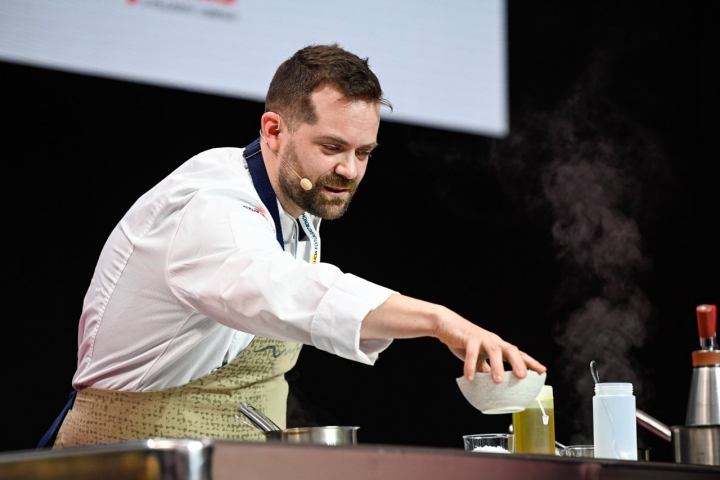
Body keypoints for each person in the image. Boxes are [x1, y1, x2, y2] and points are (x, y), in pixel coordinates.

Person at [42, 44, 546, 449]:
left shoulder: (294, 208)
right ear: (274, 130)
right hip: (126, 457)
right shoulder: (210, 204)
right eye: (331, 148)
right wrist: (439, 321)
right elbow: (284, 290)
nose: (349, 170)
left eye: (363, 152)